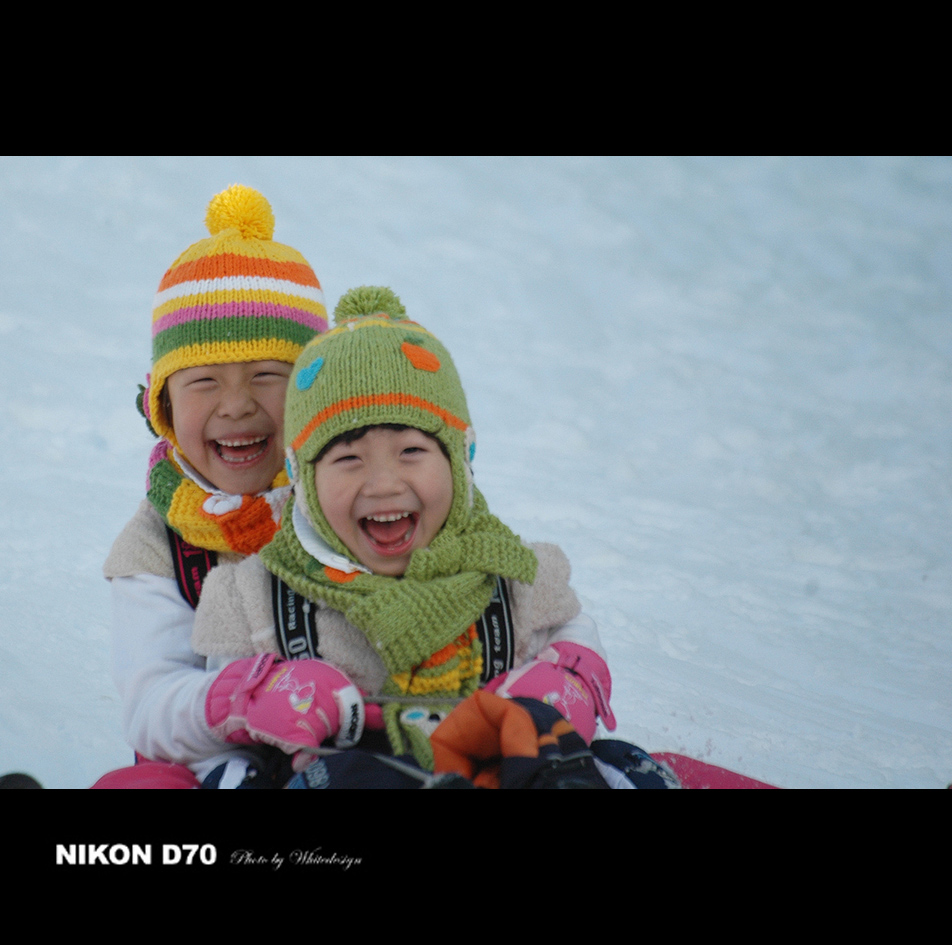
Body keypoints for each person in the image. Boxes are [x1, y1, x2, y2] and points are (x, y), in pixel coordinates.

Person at [190, 286, 679, 788]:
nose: (383, 484)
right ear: (303, 479)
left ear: (459, 459)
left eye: (411, 452)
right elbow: (211, 745)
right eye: (348, 458)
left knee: (597, 763)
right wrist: (256, 697)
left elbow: (572, 633)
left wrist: (564, 682)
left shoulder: (513, 577)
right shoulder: (258, 600)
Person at [91, 184, 329, 789]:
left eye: (267, 375)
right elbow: (151, 707)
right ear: (164, 405)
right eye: (203, 381)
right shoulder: (157, 544)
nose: (236, 405)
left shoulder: (346, 502)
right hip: (210, 767)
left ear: (313, 392)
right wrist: (238, 702)